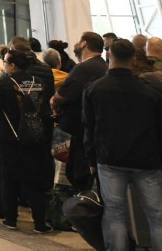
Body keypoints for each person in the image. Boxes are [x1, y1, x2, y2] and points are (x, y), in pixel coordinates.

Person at [83, 38, 162, 251]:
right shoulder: (150, 91)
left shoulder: (94, 90)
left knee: (115, 214)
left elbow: (89, 128)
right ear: (134, 58)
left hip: (109, 159)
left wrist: (91, 159)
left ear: (109, 55)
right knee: (156, 215)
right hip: (147, 160)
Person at [0, 49, 56, 233]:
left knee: (9, 178)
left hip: (10, 137)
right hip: (35, 136)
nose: (4, 64)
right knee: (35, 180)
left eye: (6, 61)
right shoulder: (38, 82)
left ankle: (11, 219)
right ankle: (40, 223)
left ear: (13, 65)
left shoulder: (4, 83)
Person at [51, 31, 107, 190]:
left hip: (75, 130)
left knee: (75, 175)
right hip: (92, 130)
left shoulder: (83, 68)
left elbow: (60, 97)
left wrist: (53, 100)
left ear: (84, 44)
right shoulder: (103, 66)